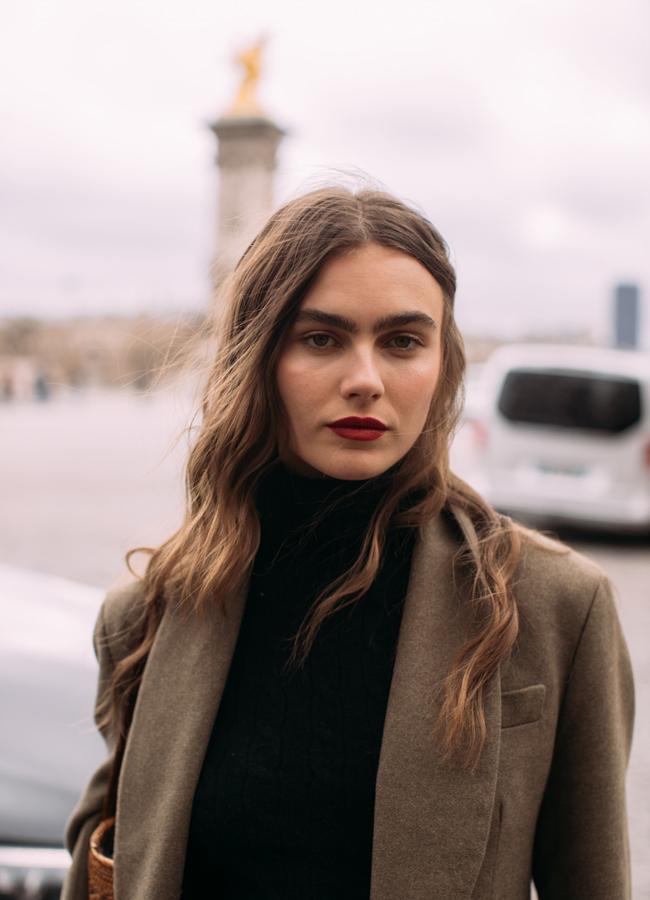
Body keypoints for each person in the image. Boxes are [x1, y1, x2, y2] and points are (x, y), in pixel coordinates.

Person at [62, 186, 634, 900]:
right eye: (321, 338)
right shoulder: (146, 616)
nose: (365, 380)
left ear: (442, 364)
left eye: (402, 341)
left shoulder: (555, 607)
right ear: (258, 358)